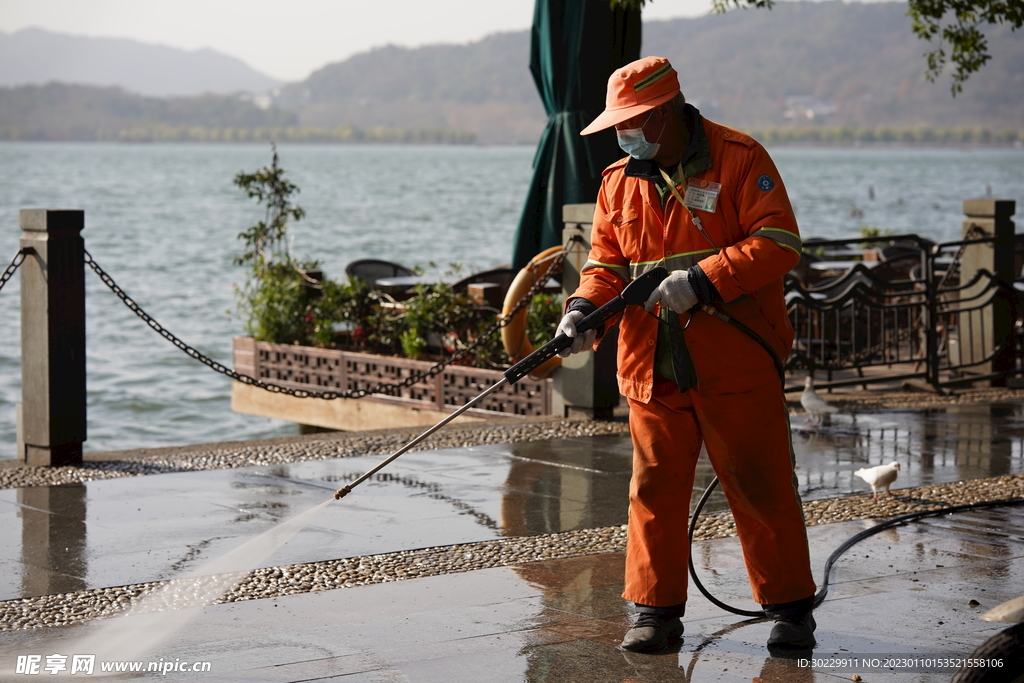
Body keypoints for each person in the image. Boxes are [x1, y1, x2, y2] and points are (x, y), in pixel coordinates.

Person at [557, 56, 816, 653]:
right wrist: (580, 311)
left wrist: (704, 279)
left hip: (736, 360)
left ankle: (791, 611)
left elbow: (779, 243)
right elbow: (604, 265)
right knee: (653, 488)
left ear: (668, 112)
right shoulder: (618, 182)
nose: (625, 135)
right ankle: (653, 613)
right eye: (621, 125)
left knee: (759, 483)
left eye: (635, 122)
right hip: (652, 364)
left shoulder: (740, 157)